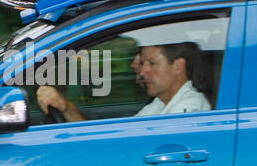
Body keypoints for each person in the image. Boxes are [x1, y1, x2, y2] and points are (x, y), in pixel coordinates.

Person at [37, 43, 208, 121]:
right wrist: (67, 108)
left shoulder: (188, 110)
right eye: (143, 64)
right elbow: (112, 141)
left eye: (152, 64)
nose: (142, 72)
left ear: (178, 66)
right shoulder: (160, 104)